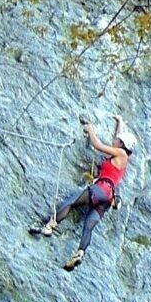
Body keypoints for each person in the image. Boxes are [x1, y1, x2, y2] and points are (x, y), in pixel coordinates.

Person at [31, 114, 135, 271]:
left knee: (71, 202)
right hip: (108, 198)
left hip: (101, 188)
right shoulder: (122, 157)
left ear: (121, 144)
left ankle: (50, 226)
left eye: (118, 140)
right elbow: (117, 139)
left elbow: (99, 146)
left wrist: (90, 131)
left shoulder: (120, 154)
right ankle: (80, 253)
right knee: (88, 226)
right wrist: (120, 122)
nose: (114, 140)